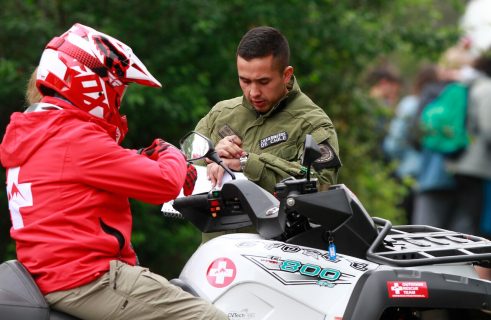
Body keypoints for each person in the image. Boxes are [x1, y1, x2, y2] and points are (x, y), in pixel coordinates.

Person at [0, 23, 226, 320]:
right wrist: (170, 150)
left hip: (49, 274)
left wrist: (138, 157)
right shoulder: (75, 138)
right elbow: (164, 184)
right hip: (88, 279)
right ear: (90, 83)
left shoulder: (36, 133)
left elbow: (88, 169)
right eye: (116, 91)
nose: (117, 103)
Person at [194, 26, 341, 241]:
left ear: (286, 74)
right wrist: (211, 157)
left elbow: (320, 188)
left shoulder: (312, 124)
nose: (253, 92)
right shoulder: (220, 115)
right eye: (244, 81)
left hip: (280, 261)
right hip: (219, 258)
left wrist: (247, 163)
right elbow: (180, 173)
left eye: (263, 82)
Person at [382, 65, 439, 223]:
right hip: (431, 175)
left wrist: (395, 162)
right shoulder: (439, 106)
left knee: (403, 224)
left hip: (407, 171)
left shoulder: (410, 104)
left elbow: (394, 142)